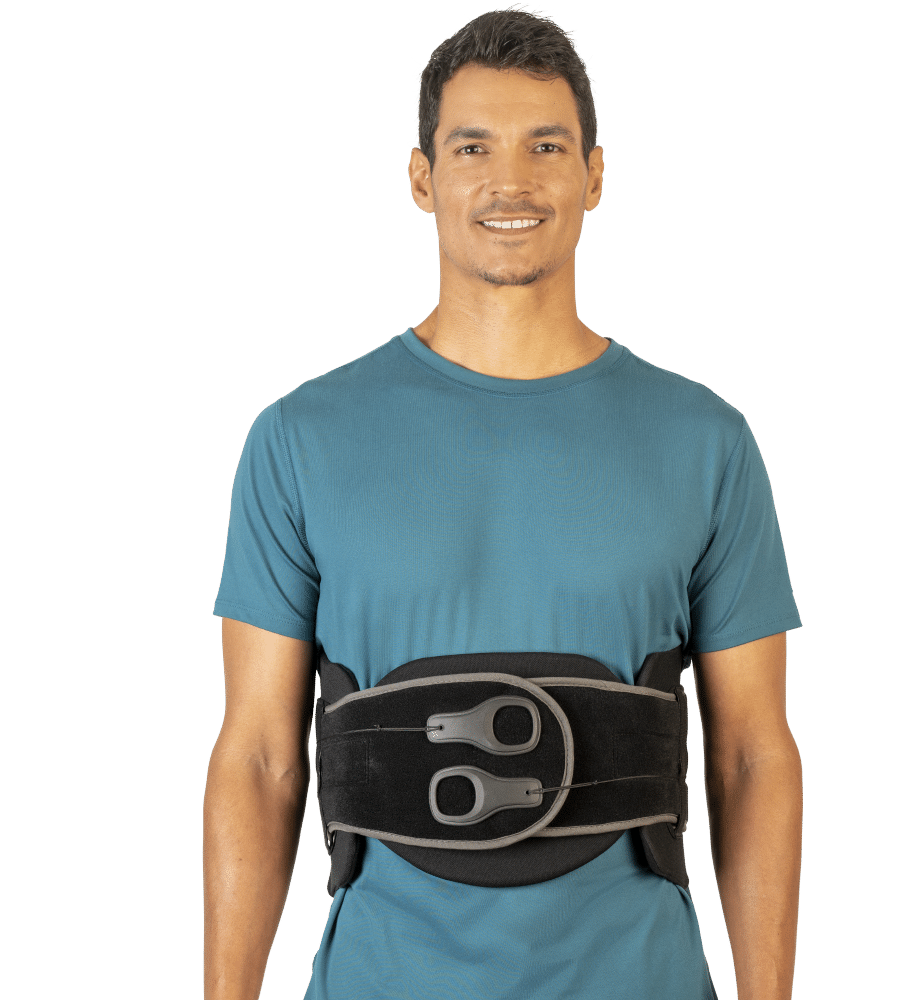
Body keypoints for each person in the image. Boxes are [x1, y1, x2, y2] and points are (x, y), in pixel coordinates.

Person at [203, 5, 804, 999]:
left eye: (546, 146)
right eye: (472, 147)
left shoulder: (706, 442)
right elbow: (260, 757)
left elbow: (751, 756)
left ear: (593, 176)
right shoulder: (300, 439)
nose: (510, 180)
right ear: (422, 178)